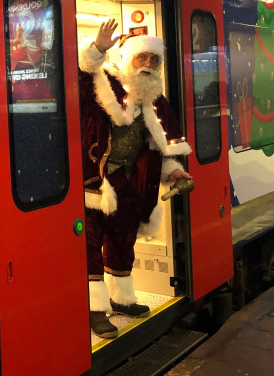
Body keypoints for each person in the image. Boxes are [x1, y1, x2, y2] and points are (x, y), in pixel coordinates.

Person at [79, 19, 192, 338]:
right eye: (142, 58)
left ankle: (121, 298)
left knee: (123, 241)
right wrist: (98, 48)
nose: (148, 64)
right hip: (95, 182)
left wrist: (175, 172)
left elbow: (162, 147)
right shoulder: (102, 83)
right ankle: (94, 309)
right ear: (128, 60)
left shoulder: (155, 99)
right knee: (91, 245)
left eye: (154, 60)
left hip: (130, 182)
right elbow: (80, 80)